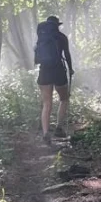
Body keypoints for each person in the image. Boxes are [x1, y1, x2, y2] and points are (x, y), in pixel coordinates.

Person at [34, 15, 73, 145]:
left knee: (47, 103)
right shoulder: (62, 38)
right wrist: (71, 69)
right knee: (64, 98)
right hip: (58, 71)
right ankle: (58, 127)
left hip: (44, 71)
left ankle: (45, 133)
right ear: (57, 25)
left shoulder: (41, 37)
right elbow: (66, 55)